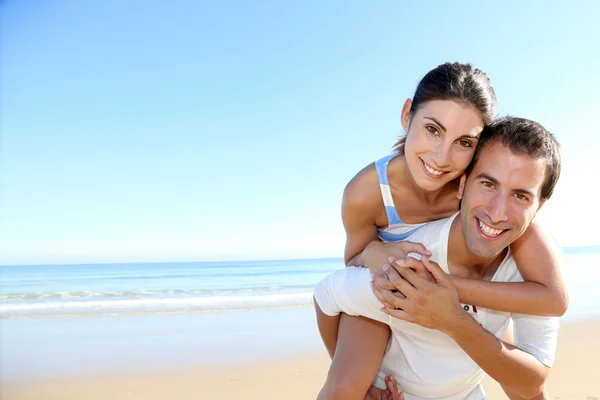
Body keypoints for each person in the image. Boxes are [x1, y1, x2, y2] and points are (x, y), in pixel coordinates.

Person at [317, 62, 567, 399]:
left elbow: (553, 298)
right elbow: (352, 262)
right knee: (346, 387)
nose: (441, 157)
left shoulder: (484, 201)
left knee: (516, 366)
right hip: (392, 278)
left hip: (445, 281)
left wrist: (449, 296)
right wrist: (376, 252)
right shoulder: (368, 192)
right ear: (407, 115)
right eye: (433, 129)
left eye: (464, 142)